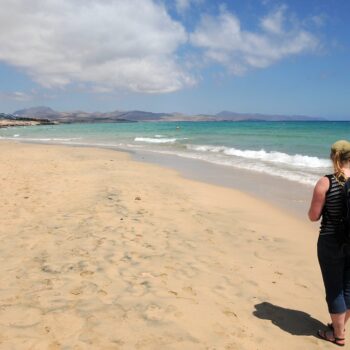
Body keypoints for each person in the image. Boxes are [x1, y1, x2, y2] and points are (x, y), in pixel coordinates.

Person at [308, 139, 350, 347]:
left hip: (331, 241)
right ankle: (339, 326)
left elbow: (313, 216)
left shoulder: (326, 182)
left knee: (334, 289)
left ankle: (338, 335)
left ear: (334, 157)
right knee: (348, 287)